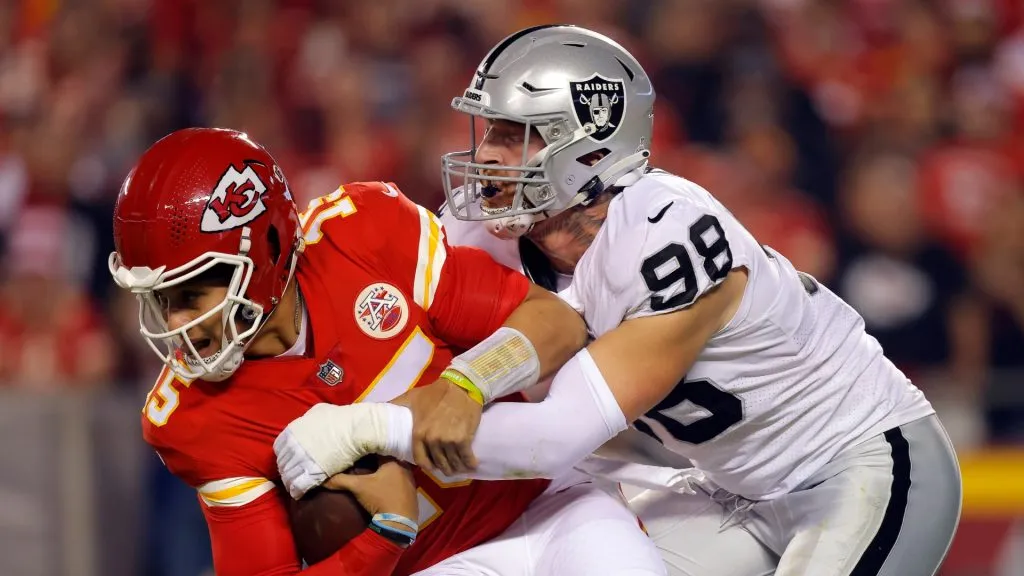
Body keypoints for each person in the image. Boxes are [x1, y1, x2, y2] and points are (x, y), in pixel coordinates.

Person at [277, 25, 963, 576]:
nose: (488, 154)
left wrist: (368, 429)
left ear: (589, 144)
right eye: (490, 131)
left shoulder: (667, 234)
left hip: (856, 463)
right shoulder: (483, 233)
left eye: (516, 135)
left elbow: (554, 438)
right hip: (725, 486)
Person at [110, 127, 665, 576]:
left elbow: (557, 321)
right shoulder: (193, 417)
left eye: (192, 292)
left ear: (269, 248)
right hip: (433, 564)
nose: (178, 323)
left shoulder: (362, 235)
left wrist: (466, 383)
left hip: (551, 500)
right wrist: (384, 536)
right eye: (161, 301)